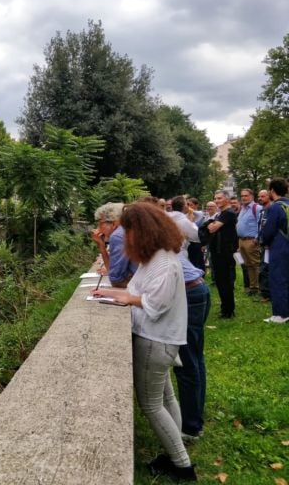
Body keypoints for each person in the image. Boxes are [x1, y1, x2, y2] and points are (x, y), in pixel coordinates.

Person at [93, 203, 196, 481]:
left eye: (128, 231)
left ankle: (182, 465)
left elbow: (157, 303)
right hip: (157, 337)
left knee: (151, 405)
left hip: (156, 339)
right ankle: (176, 448)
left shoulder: (163, 262)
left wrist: (128, 298)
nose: (125, 237)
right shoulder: (156, 257)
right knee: (165, 396)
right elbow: (138, 289)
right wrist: (115, 295)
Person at [174, 254, 211, 443]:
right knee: (195, 359)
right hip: (199, 289)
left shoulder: (128, 238)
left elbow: (120, 278)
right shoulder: (159, 234)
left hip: (188, 294)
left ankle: (191, 427)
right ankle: (195, 419)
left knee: (186, 363)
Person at [261, 178, 289, 324]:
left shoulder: (275, 207)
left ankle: (280, 314)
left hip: (279, 246)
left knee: (278, 279)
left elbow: (268, 230)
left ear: (271, 191)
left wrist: (264, 243)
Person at [207, 190, 238, 318]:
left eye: (219, 198)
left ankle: (228, 310)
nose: (217, 200)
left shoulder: (228, 213)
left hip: (224, 252)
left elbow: (212, 228)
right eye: (215, 198)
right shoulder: (222, 214)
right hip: (219, 251)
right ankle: (225, 308)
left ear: (227, 199)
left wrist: (211, 225)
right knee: (220, 281)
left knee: (224, 281)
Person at [91, 202, 137, 287]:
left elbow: (115, 280)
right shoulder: (127, 230)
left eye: (100, 223)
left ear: (113, 224)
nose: (98, 228)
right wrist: (101, 245)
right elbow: (112, 272)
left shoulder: (117, 236)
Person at [236, 188, 262, 297]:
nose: (243, 198)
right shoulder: (243, 208)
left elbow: (261, 224)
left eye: (246, 196)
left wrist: (257, 238)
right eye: (242, 196)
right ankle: (253, 288)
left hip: (251, 240)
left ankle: (261, 289)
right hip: (242, 241)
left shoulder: (256, 208)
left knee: (256, 265)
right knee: (248, 265)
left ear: (251, 196)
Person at [257, 189, 272, 302]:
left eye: (263, 196)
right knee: (263, 268)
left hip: (271, 245)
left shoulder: (273, 209)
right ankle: (265, 293)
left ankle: (268, 294)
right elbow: (261, 227)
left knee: (268, 268)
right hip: (263, 244)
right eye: (259, 196)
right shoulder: (262, 211)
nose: (261, 198)